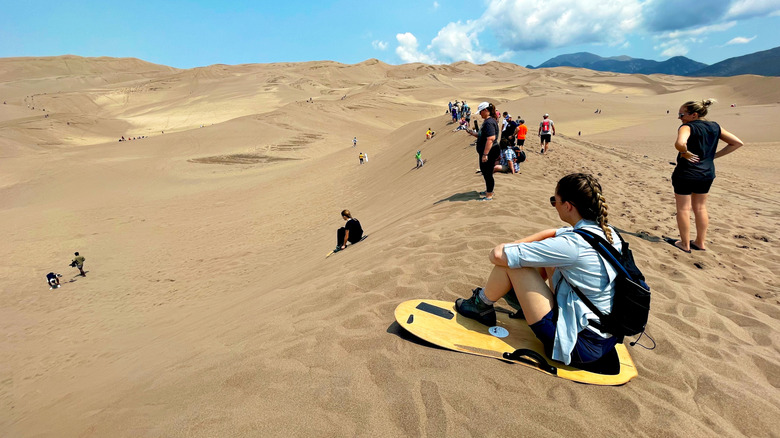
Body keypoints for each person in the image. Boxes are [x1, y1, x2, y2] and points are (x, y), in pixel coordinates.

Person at [454, 173, 620, 367]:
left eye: (554, 201)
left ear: (568, 206)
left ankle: (481, 305)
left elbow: (497, 255)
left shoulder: (573, 245)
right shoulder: (607, 234)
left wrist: (511, 247)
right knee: (545, 259)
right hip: (601, 335)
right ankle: (525, 305)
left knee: (512, 264)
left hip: (576, 345)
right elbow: (553, 234)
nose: (554, 205)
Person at [671, 99, 743, 252]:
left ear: (694, 115)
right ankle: (700, 242)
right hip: (707, 174)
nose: (680, 117)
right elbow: (737, 143)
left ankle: (684, 244)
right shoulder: (715, 127)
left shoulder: (687, 127)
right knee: (700, 208)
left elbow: (680, 143)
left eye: (682, 114)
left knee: (683, 209)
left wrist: (684, 152)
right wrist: (712, 156)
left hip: (686, 173)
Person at [465, 102, 500, 201]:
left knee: (488, 173)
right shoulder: (488, 121)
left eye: (481, 112)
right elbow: (483, 136)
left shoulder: (489, 122)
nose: (480, 114)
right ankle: (488, 190)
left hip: (490, 151)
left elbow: (491, 138)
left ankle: (489, 195)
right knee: (485, 172)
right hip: (488, 150)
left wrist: (485, 154)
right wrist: (472, 133)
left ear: (485, 110)